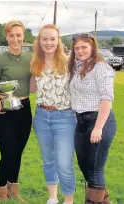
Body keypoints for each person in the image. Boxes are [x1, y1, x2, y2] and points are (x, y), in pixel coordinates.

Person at [30, 24, 76, 204]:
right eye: (44, 39)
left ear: (58, 41)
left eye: (52, 39)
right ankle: (52, 197)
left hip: (65, 117)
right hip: (41, 116)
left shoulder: (69, 61)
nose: (48, 42)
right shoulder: (34, 62)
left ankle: (68, 200)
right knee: (48, 160)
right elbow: (32, 89)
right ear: (39, 41)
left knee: (64, 163)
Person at [68, 33, 116, 204]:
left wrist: (98, 127)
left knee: (95, 170)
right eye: (77, 48)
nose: (80, 51)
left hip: (98, 121)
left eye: (84, 47)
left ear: (93, 47)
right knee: (86, 168)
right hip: (80, 122)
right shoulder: (76, 66)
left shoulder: (101, 67)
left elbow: (106, 98)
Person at [0, 20, 32, 202]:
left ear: (23, 36)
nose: (15, 39)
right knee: (8, 153)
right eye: (11, 35)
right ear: (6, 36)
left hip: (24, 110)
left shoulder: (30, 58)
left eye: (19, 35)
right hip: (5, 112)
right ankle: (1, 192)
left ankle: (14, 190)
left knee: (18, 153)